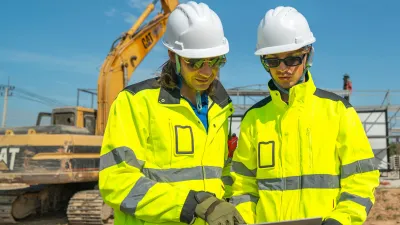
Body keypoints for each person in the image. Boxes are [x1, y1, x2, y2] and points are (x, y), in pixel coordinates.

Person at [229, 6, 380, 225]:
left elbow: (361, 179)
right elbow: (243, 186)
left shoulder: (338, 112)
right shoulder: (254, 119)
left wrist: (341, 219)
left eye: (292, 59)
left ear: (307, 55)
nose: (283, 68)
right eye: (273, 61)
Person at [98, 2, 244, 225]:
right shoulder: (136, 103)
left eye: (215, 61)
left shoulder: (220, 108)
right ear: (172, 56)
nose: (207, 72)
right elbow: (116, 182)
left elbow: (222, 174)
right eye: (194, 62)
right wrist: (192, 205)